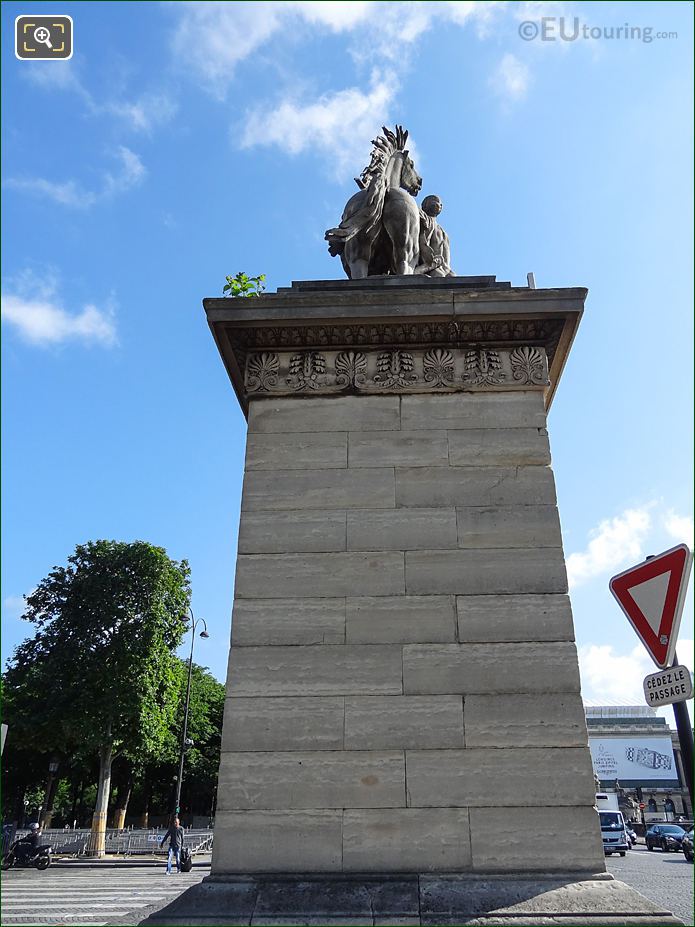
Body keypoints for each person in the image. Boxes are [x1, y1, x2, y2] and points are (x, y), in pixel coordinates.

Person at [414, 195, 455, 277]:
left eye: (439, 203)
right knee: (438, 276)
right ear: (424, 205)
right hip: (431, 266)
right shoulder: (424, 222)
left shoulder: (443, 233)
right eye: (433, 200)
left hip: (445, 269)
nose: (437, 204)